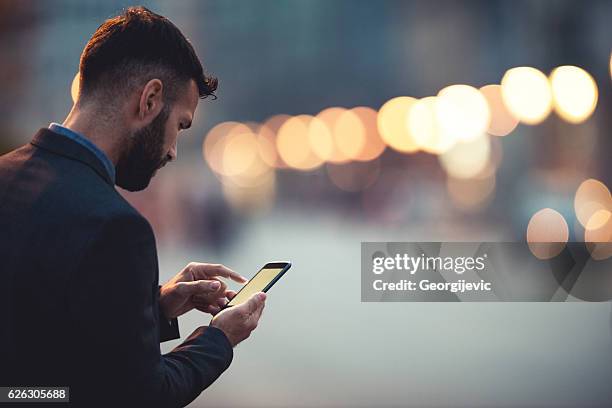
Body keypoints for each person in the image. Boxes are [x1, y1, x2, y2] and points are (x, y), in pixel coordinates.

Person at [0, 6, 266, 407]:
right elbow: (138, 395)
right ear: (150, 99)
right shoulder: (115, 227)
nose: (173, 150)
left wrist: (154, 309)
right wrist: (218, 338)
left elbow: (40, 345)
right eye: (179, 125)